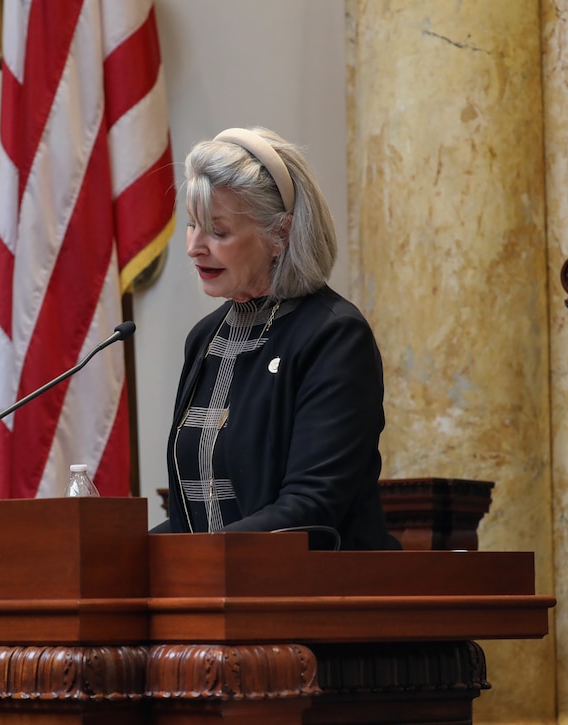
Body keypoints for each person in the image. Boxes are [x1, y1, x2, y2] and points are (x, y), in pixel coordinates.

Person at [155, 126, 399, 551]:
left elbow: (313, 505)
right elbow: (186, 517)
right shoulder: (205, 338)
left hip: (318, 598)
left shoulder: (333, 336)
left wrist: (193, 557)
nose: (195, 246)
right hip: (213, 592)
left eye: (219, 230)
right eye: (193, 226)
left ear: (280, 235)